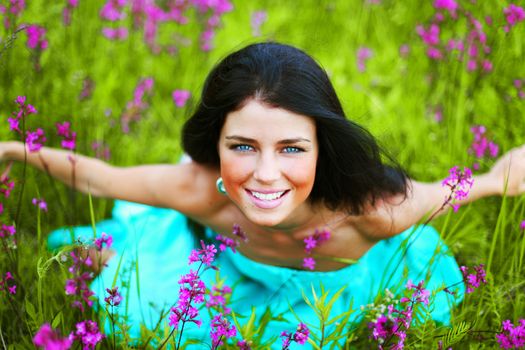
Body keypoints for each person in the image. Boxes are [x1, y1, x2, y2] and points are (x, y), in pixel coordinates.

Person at [1, 42, 525, 348]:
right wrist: (17, 152)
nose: (266, 175)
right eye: (243, 146)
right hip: (222, 270)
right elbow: (101, 179)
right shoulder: (205, 192)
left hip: (330, 292)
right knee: (144, 307)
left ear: (324, 149)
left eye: (293, 148)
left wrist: (504, 178)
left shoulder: (374, 214)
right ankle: (129, 248)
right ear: (217, 146)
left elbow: (481, 184)